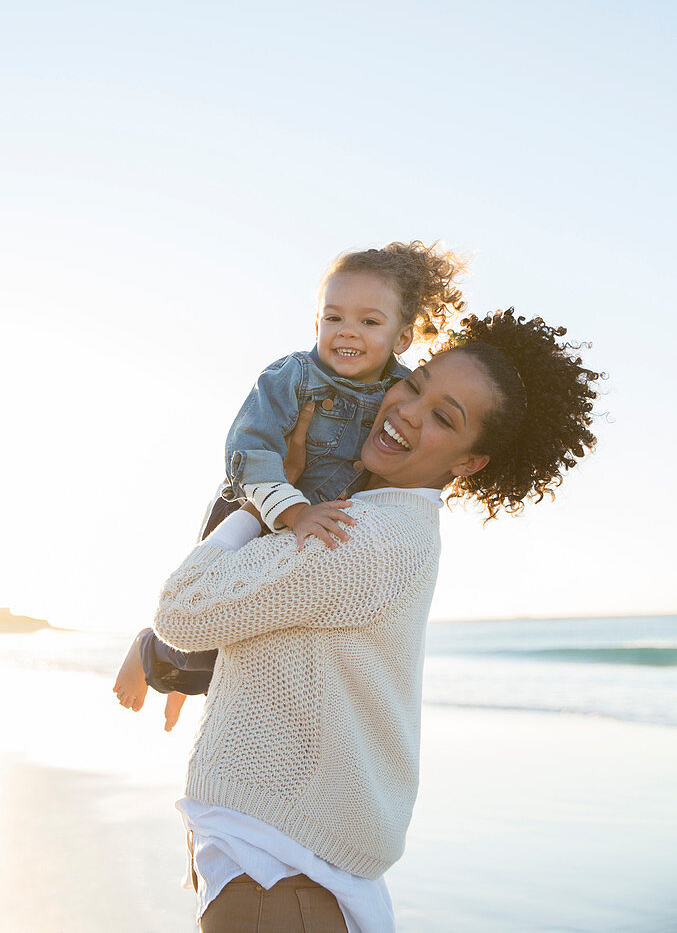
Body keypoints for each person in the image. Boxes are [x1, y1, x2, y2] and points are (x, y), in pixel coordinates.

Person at [150, 309, 601, 932]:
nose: (410, 410)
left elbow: (183, 612)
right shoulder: (373, 516)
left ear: (469, 463)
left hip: (278, 872)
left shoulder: (363, 537)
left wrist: (260, 502)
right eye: (415, 385)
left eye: (445, 417)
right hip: (281, 865)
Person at [113, 240, 465, 719]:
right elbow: (248, 451)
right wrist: (292, 509)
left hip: (315, 517)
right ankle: (149, 648)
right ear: (317, 323)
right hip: (259, 505)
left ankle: (180, 681)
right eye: (334, 317)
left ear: (402, 338)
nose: (348, 333)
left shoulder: (400, 390)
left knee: (248, 632)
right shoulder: (292, 376)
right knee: (204, 625)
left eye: (370, 322)